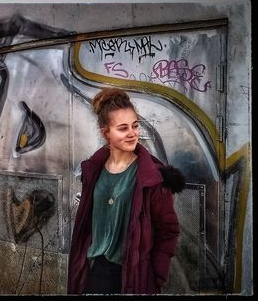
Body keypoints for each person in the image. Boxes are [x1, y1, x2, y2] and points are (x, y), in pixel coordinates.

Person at [67, 87, 185, 294]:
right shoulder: (93, 171)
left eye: (135, 126)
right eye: (123, 128)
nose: (132, 133)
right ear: (106, 133)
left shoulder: (152, 177)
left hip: (132, 275)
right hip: (94, 271)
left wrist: (156, 275)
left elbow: (168, 231)